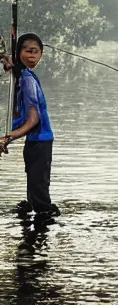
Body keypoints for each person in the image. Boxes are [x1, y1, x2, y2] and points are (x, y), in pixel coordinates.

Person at [0, 33, 60, 220]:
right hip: (34, 141)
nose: (32, 56)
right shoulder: (24, 74)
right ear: (19, 54)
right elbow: (15, 69)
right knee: (34, 186)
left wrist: (9, 137)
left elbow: (33, 119)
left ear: (41, 54)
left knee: (39, 192)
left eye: (36, 52)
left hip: (41, 141)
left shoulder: (28, 81)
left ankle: (44, 223)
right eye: (27, 52)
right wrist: (6, 59)